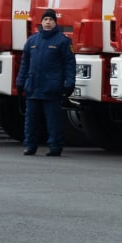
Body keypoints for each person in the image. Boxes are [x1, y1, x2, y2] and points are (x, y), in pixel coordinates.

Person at [16, 9, 75, 156]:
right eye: (45, 19)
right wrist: (20, 81)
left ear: (55, 22)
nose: (48, 22)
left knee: (53, 120)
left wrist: (69, 83)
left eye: (51, 20)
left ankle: (55, 146)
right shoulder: (32, 41)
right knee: (30, 120)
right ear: (41, 22)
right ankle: (30, 146)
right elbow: (24, 64)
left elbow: (69, 64)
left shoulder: (63, 41)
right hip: (33, 87)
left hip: (52, 88)